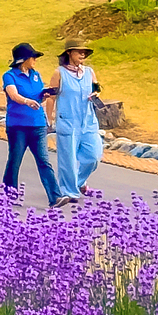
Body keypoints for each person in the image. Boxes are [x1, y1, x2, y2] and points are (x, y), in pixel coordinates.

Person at [0, 43, 59, 206]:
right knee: (15, 159)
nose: (35, 60)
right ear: (23, 59)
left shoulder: (36, 75)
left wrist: (44, 95)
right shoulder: (10, 76)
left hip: (37, 124)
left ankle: (55, 197)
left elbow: (37, 97)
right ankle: (9, 195)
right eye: (33, 57)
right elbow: (13, 94)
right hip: (18, 125)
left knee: (44, 160)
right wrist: (26, 101)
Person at [52, 42, 103, 205]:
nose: (82, 55)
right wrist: (49, 119)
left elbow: (97, 88)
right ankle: (69, 192)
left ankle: (79, 182)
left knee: (93, 156)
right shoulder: (59, 73)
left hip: (88, 120)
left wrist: (96, 93)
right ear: (69, 53)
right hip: (67, 120)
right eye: (79, 52)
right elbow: (51, 96)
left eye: (84, 53)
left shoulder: (89, 72)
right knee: (67, 159)